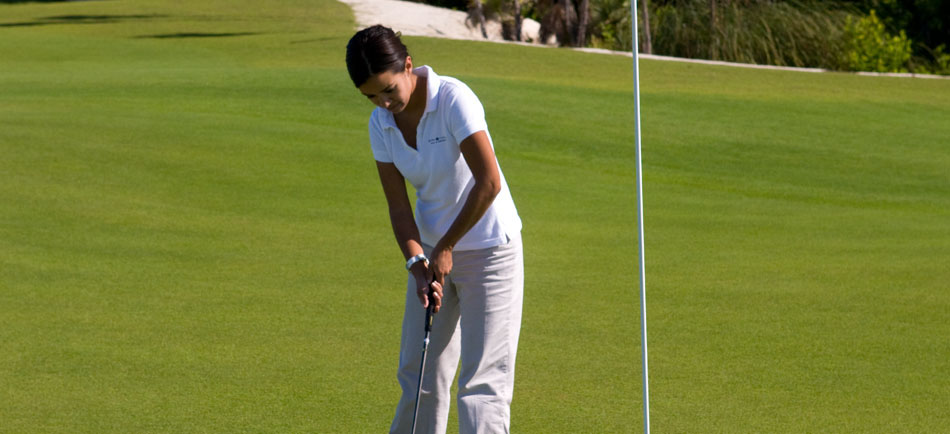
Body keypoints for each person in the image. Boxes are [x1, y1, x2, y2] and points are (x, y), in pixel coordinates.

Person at [346, 25, 525, 434]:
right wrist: (417, 262)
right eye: (371, 96)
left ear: (408, 66)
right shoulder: (381, 124)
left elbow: (489, 182)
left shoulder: (453, 99)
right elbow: (398, 205)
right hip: (431, 253)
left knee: (483, 384)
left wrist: (445, 247)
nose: (383, 103)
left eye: (388, 90)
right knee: (420, 373)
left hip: (491, 251)